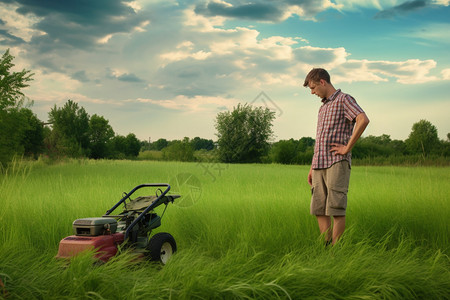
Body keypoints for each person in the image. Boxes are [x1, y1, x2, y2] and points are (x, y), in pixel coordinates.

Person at [303, 68, 369, 246]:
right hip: (318, 164)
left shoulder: (344, 99)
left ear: (322, 82)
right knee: (319, 209)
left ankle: (336, 250)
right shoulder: (323, 107)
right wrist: (311, 167)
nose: (312, 92)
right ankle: (326, 248)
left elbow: (363, 120)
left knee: (336, 209)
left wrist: (347, 148)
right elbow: (320, 140)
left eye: (313, 87)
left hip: (336, 163)